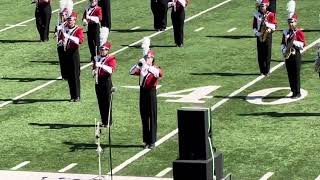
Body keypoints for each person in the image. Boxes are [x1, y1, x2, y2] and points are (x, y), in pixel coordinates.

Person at [129, 49, 164, 149]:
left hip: (151, 92)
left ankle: (152, 141)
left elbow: (160, 74)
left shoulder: (156, 68)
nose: (147, 59)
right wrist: (138, 65)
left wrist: (148, 67)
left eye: (149, 57)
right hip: (142, 92)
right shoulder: (142, 67)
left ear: (153, 59)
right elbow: (131, 72)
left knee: (152, 116)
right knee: (144, 116)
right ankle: (146, 140)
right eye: (146, 57)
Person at [57, 12, 84, 102]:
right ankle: (72, 96)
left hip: (74, 54)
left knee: (75, 75)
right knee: (69, 75)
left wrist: (68, 37)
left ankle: (77, 96)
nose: (69, 21)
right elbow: (60, 39)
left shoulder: (78, 29)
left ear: (75, 20)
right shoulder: (64, 29)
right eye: (68, 19)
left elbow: (79, 41)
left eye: (71, 20)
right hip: (66, 53)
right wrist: (60, 40)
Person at [280, 14, 305, 99]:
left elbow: (303, 44)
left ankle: (298, 92)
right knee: (290, 73)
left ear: (295, 22)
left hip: (295, 55)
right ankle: (293, 91)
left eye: (292, 22)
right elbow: (283, 43)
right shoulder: (285, 32)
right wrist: (284, 50)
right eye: (289, 22)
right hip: (288, 55)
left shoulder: (299, 32)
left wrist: (293, 43)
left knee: (296, 74)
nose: (290, 24)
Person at [93, 42, 116, 126]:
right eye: (101, 49)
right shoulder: (96, 58)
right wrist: (94, 72)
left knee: (107, 102)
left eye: (104, 50)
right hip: (98, 81)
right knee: (101, 102)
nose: (102, 51)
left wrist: (101, 65)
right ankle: (104, 121)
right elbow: (94, 69)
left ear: (107, 50)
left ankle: (108, 122)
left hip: (106, 82)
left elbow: (111, 70)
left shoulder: (111, 59)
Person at [252, 0, 277, 76]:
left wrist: (269, 26)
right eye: (261, 6)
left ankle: (267, 70)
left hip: (267, 35)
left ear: (267, 6)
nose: (262, 7)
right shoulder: (256, 15)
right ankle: (261, 70)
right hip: (259, 35)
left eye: (263, 6)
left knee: (267, 53)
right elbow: (254, 26)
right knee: (260, 53)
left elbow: (275, 26)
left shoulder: (270, 14)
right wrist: (257, 33)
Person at [56, 0, 74, 79]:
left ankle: (69, 74)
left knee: (68, 60)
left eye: (65, 15)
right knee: (62, 60)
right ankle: (64, 75)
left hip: (67, 44)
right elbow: (56, 33)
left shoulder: (68, 24)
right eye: (62, 15)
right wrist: (56, 33)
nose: (63, 16)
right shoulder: (59, 23)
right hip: (60, 44)